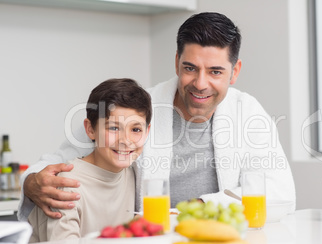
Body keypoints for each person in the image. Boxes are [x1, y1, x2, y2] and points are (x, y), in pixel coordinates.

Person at [18, 12, 296, 222]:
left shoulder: (247, 111)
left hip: (216, 239)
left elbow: (280, 193)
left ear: (234, 72)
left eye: (215, 71)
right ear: (176, 62)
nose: (200, 83)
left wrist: (198, 206)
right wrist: (32, 182)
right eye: (190, 68)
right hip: (146, 243)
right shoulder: (137, 108)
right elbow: (53, 164)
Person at [28, 78, 151, 241]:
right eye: (113, 128)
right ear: (90, 129)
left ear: (147, 131)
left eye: (136, 129)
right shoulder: (67, 183)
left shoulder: (136, 174)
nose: (125, 140)